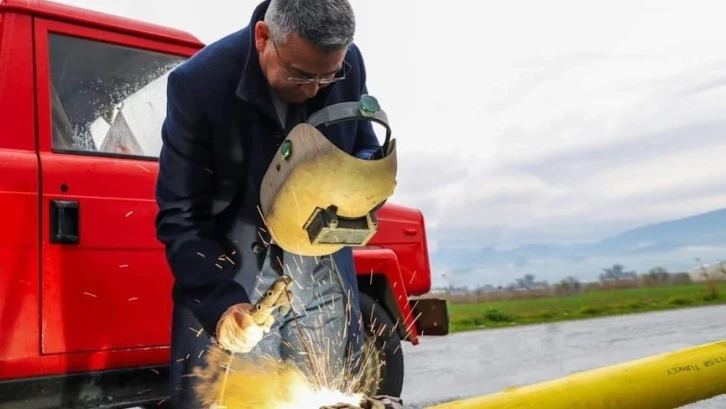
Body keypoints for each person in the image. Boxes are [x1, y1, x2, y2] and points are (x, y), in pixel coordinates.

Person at [154, 0, 382, 407]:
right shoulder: (199, 84)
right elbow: (181, 215)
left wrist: (361, 179)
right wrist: (223, 307)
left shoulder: (349, 64)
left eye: (327, 76)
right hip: (233, 283)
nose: (314, 89)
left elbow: (363, 143)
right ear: (264, 38)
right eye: (300, 74)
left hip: (323, 279)